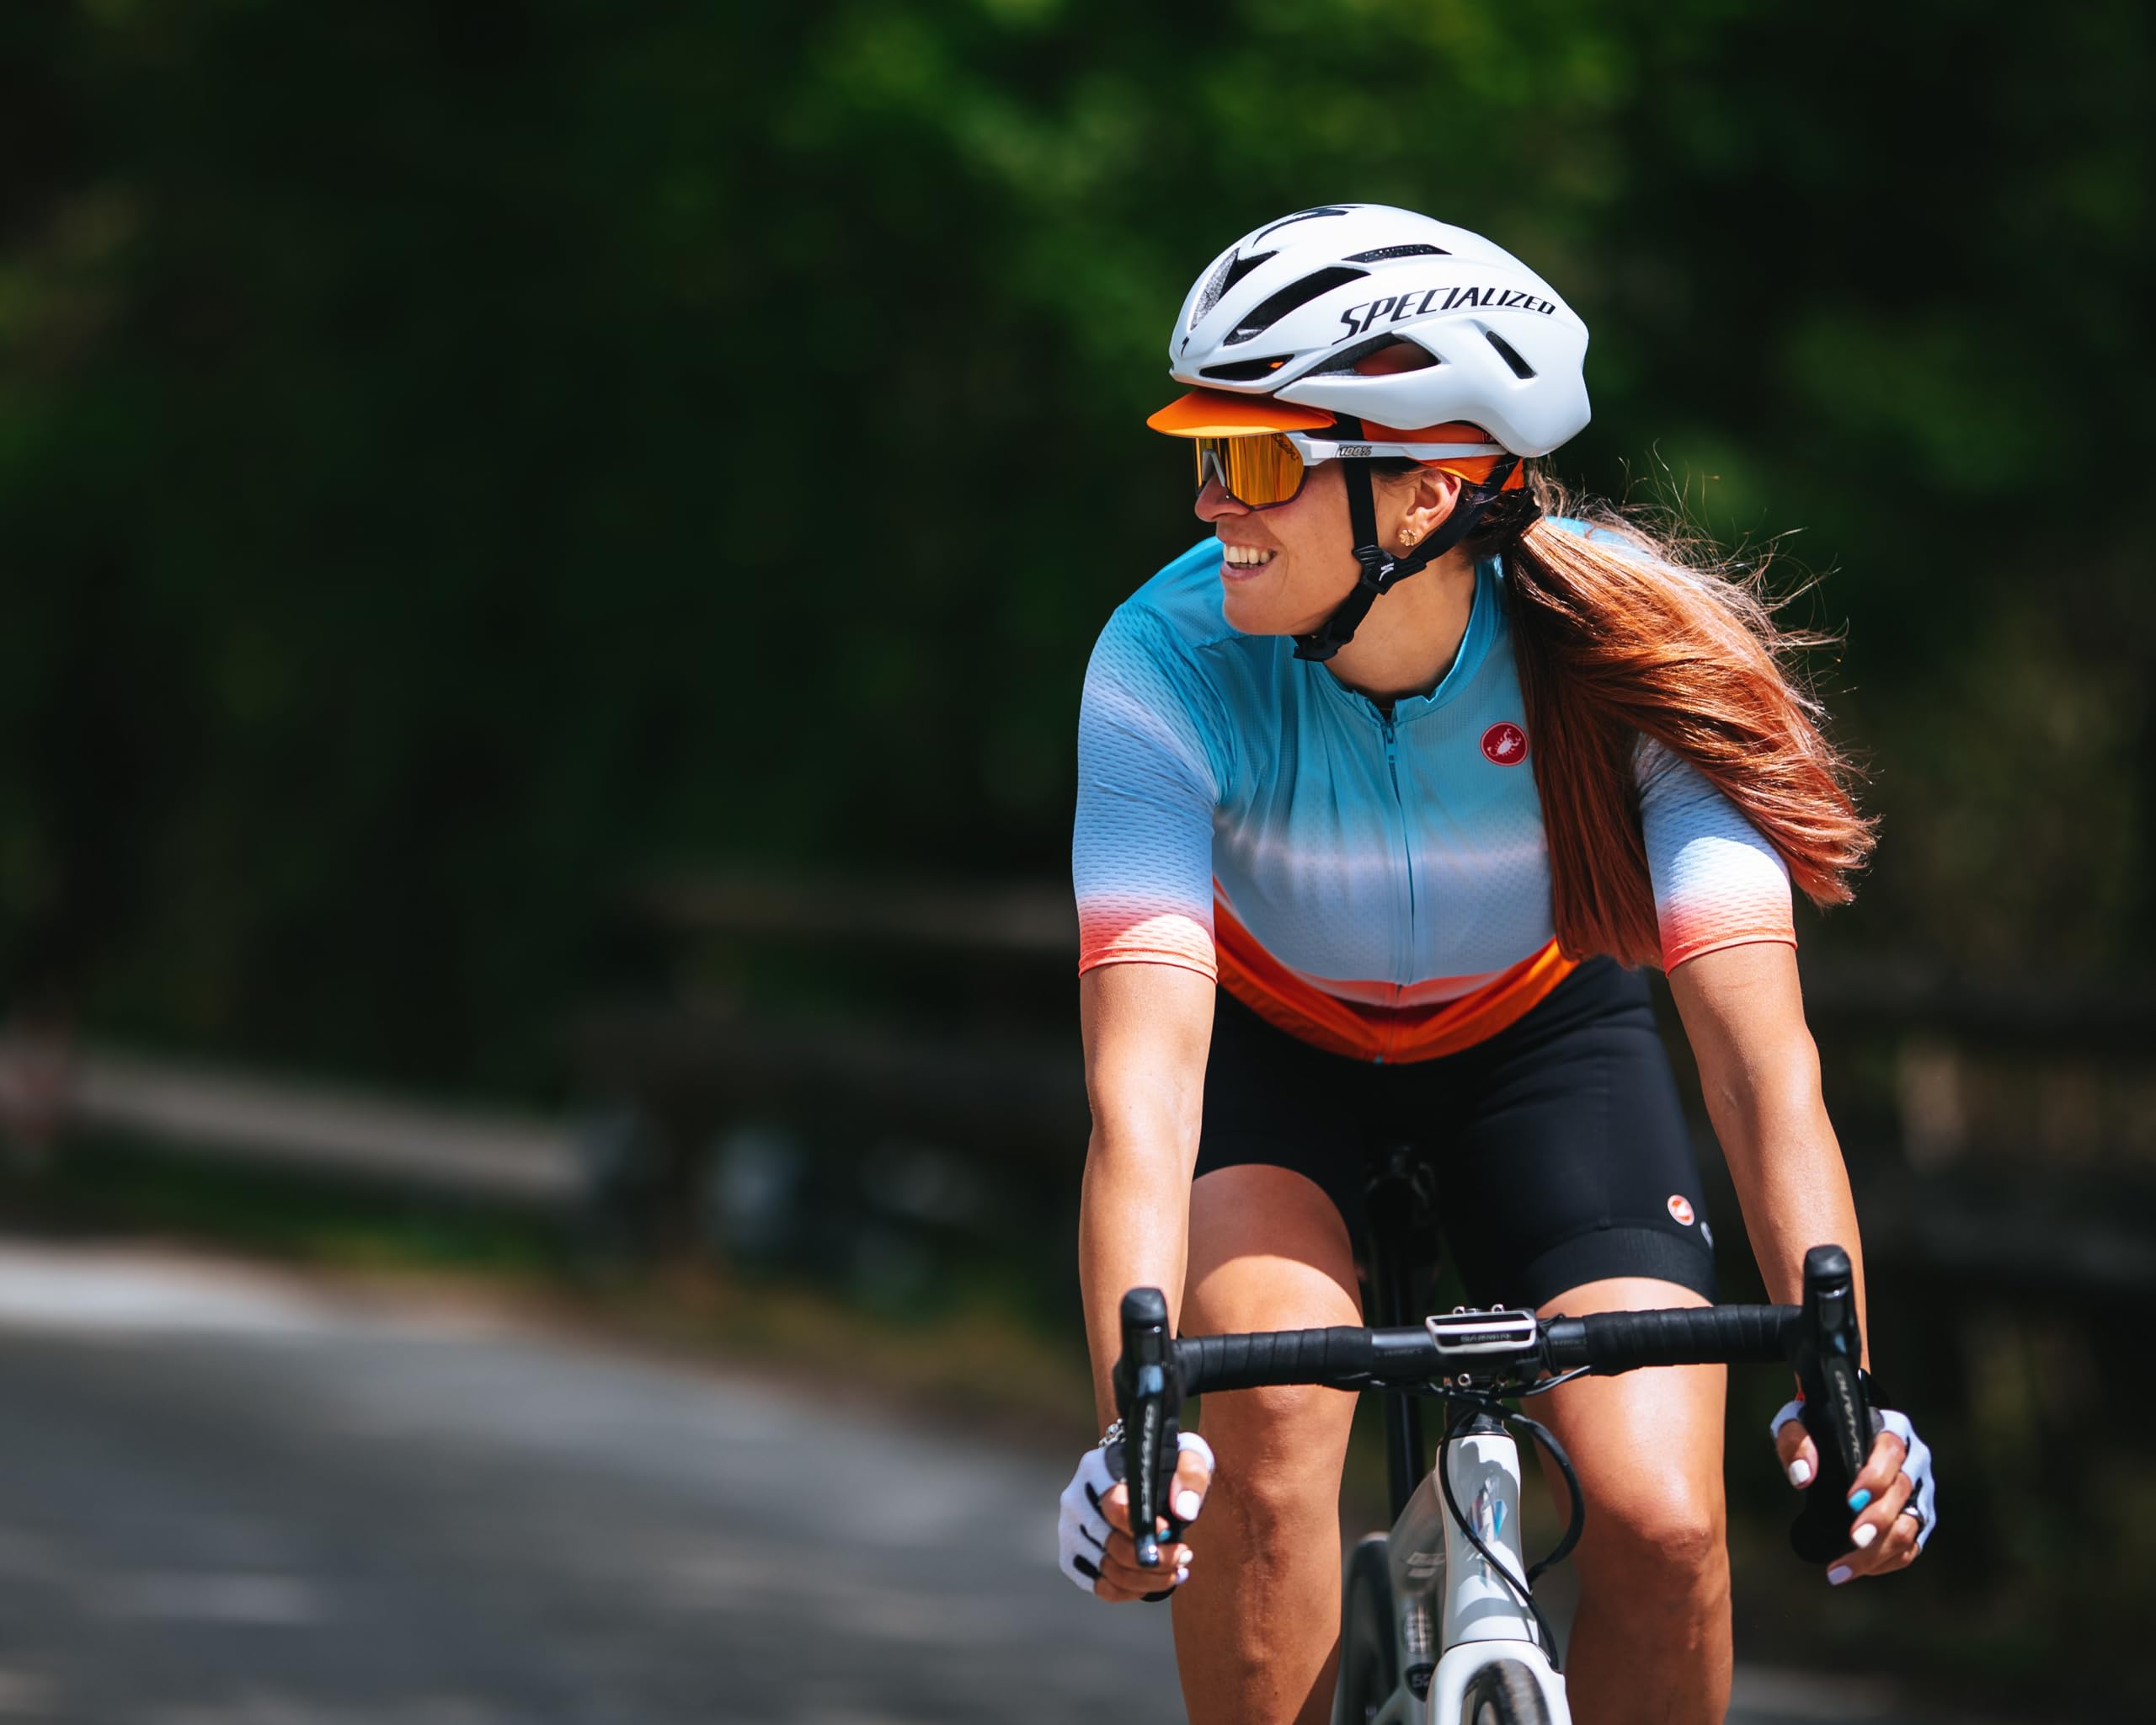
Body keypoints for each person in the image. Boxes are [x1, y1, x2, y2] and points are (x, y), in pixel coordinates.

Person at [1054, 206, 1936, 1725]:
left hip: (1544, 1050)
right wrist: (1132, 1432)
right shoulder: (1159, 663)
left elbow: (1759, 1061)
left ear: (1427, 490)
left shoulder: (1641, 653)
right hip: (1274, 1056)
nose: (1209, 504)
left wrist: (1842, 1379)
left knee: (1665, 1521)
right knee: (1268, 1431)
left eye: (1254, 461)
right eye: (1203, 458)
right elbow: (1144, 1096)